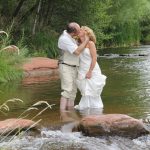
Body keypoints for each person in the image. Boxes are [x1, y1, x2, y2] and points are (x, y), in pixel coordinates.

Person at [58, 22, 89, 111]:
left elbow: (80, 47)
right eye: (78, 29)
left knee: (73, 92)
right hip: (66, 66)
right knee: (67, 90)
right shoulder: (64, 39)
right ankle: (62, 113)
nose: (80, 30)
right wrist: (86, 41)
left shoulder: (70, 37)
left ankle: (70, 112)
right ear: (74, 31)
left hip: (74, 67)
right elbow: (77, 52)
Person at [75, 26, 106, 110]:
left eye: (81, 29)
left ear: (86, 32)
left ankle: (96, 110)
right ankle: (86, 109)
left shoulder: (91, 43)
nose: (79, 31)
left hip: (91, 68)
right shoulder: (77, 43)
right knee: (85, 90)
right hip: (82, 69)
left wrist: (90, 71)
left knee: (92, 90)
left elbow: (94, 58)